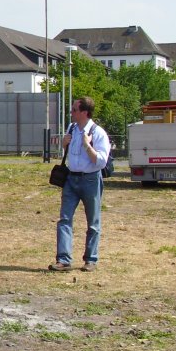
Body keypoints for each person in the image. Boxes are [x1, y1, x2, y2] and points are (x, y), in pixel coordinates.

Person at [49, 96, 111, 272]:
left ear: (84, 112)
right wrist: (64, 145)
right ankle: (63, 260)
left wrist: (87, 145)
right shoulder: (72, 129)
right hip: (71, 179)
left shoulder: (98, 133)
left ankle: (90, 260)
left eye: (74, 110)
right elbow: (70, 154)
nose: (71, 113)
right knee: (64, 219)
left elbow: (100, 162)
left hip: (90, 180)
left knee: (93, 222)